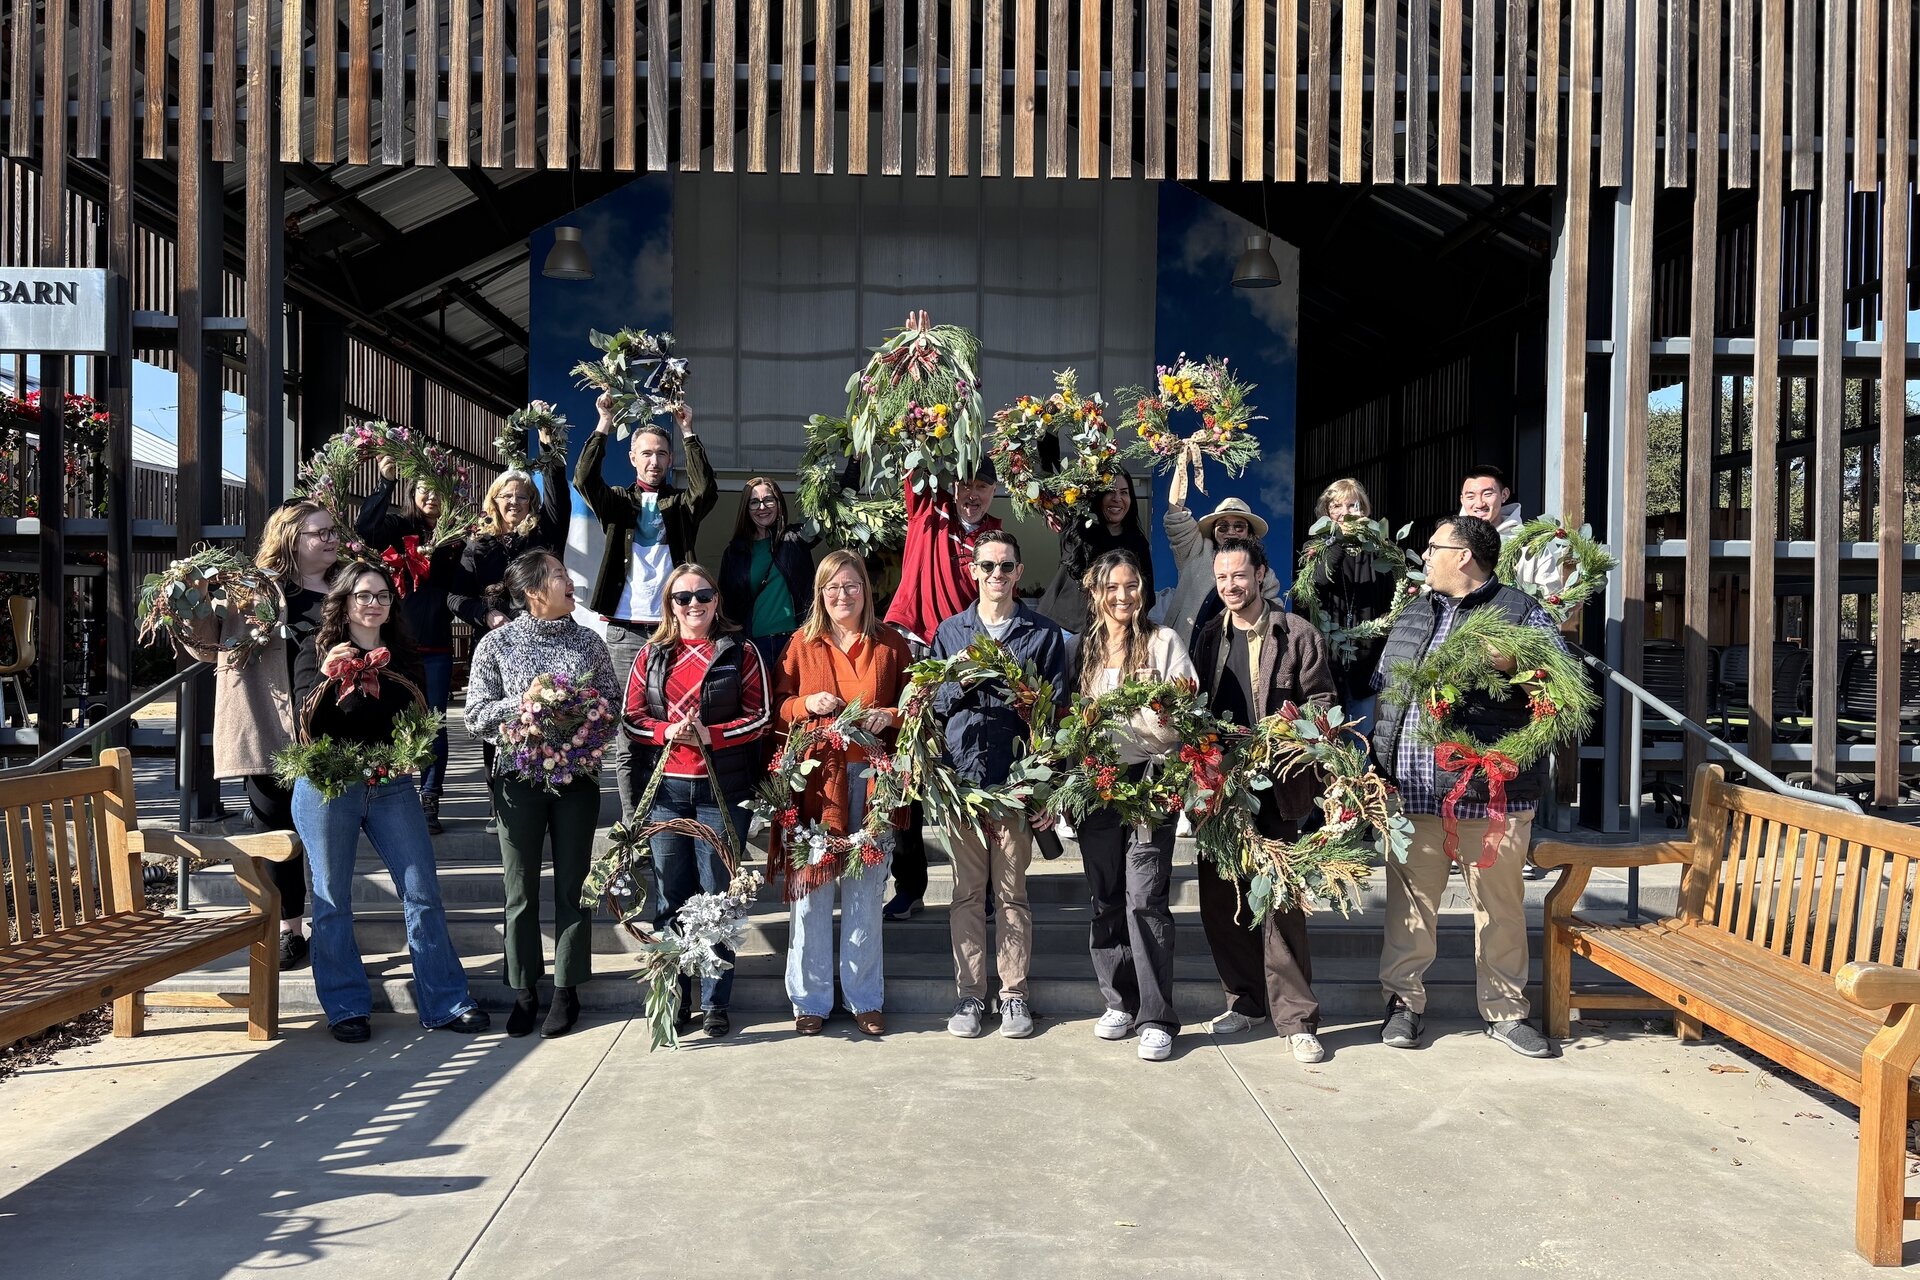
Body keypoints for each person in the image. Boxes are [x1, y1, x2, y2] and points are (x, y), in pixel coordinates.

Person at [1370, 515, 1564, 1060]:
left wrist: (1518, 661)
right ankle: (1403, 1004)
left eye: (1433, 547)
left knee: (1499, 908)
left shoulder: (1521, 614)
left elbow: (1562, 690)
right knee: (1408, 908)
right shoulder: (1413, 612)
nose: (1424, 556)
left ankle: (1505, 1012)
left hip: (1489, 799)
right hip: (1412, 794)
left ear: (1464, 556)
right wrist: (1380, 765)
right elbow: (1387, 692)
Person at [289, 562, 488, 1044]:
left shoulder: (401, 653)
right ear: (343, 601)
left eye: (382, 594)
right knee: (332, 898)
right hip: (328, 783)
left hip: (390, 784)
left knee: (422, 889)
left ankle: (445, 1000)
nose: (373, 602)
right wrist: (327, 676)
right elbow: (305, 722)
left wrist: (410, 757)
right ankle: (344, 1006)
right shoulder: (313, 651)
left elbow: (421, 716)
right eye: (363, 594)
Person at [1189, 538, 1338, 1063]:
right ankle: (1246, 1000)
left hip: (1277, 786)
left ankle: (1297, 1018)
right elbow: (1195, 707)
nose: (1231, 586)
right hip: (1219, 791)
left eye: (1239, 576)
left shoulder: (1295, 633)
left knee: (1279, 903)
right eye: (1222, 577)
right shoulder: (1208, 637)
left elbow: (1323, 704)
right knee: (1220, 902)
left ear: (1261, 575)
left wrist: (1287, 730)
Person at [464, 550, 618, 1040]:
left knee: (574, 886)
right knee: (520, 890)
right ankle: (524, 988)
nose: (570, 581)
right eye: (558, 575)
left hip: (577, 782)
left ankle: (567, 989)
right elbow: (475, 715)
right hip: (516, 782)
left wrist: (583, 715)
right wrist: (526, 701)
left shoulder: (589, 642)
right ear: (533, 591)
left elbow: (612, 705)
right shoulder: (497, 645)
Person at [930, 530, 1070, 1040]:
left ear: (1018, 572)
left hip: (1016, 788)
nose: (996, 575)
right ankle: (969, 996)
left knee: (1012, 896)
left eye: (1006, 567)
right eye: (987, 566)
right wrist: (959, 682)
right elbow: (933, 706)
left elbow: (1056, 719)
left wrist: (1047, 790)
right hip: (963, 786)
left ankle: (1013, 996)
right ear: (972, 570)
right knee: (967, 895)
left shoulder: (1042, 635)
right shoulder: (950, 633)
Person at [623, 562, 770, 1040]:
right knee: (670, 897)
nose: (693, 605)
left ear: (716, 600)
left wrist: (712, 734)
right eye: (682, 598)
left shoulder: (740, 652)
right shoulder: (651, 654)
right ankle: (674, 996)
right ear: (669, 604)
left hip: (720, 792)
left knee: (717, 900)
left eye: (702, 595)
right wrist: (668, 731)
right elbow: (631, 719)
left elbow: (759, 716)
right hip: (666, 792)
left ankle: (714, 1002)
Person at [775, 551, 914, 1037]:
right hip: (817, 788)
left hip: (874, 787)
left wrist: (890, 717)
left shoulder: (891, 644)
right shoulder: (802, 644)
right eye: (832, 587)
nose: (842, 595)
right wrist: (805, 703)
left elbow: (912, 707)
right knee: (811, 893)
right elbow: (778, 706)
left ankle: (863, 997)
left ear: (866, 591)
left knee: (865, 893)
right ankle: (809, 999)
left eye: (851, 585)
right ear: (819, 593)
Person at [1073, 549, 1198, 1063]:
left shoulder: (1164, 642)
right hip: (1098, 784)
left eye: (1131, 586)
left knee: (1145, 897)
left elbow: (1186, 709)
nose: (1122, 597)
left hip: (1149, 781)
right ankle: (1118, 1000)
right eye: (1112, 587)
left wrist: (1146, 721)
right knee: (1106, 896)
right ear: (1095, 593)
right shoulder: (1083, 650)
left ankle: (1157, 1016)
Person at [575, 395, 716, 821]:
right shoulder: (618, 502)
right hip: (624, 629)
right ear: (632, 458)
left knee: (674, 723)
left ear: (670, 458)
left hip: (672, 631)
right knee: (628, 732)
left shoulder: (680, 505)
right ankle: (635, 822)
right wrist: (602, 423)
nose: (654, 461)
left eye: (661, 453)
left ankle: (671, 816)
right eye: (646, 454)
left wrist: (688, 430)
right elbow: (584, 478)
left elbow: (705, 489)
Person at [880, 440, 1002, 923]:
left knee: (966, 765)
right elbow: (915, 455)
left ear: (993, 492)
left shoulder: (994, 542)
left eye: (983, 486)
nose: (972, 494)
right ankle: (909, 885)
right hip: (910, 643)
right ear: (951, 485)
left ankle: (980, 886)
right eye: (966, 484)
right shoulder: (928, 508)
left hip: (960, 655)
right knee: (905, 768)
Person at [213, 500, 336, 971]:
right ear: (291, 540)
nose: (330, 540)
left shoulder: (346, 587)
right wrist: (187, 598)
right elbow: (206, 638)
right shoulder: (255, 591)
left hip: (330, 730)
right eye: (319, 534)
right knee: (276, 834)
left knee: (327, 836)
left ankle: (331, 926)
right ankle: (289, 931)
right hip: (270, 728)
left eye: (330, 532)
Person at [456, 439, 573, 830]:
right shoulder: (476, 544)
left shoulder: (543, 537)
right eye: (508, 495)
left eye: (523, 496)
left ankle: (552, 795)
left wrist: (550, 453)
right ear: (495, 499)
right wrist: (485, 614)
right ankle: (500, 801)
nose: (515, 502)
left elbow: (560, 503)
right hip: (496, 642)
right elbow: (455, 596)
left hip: (547, 641)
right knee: (499, 721)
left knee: (550, 716)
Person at [357, 456, 462, 833]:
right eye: (423, 489)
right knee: (389, 719)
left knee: (434, 724)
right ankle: (384, 796)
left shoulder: (455, 536)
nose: (430, 496)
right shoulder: (399, 527)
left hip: (435, 645)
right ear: (413, 494)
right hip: (396, 643)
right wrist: (384, 482)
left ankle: (430, 797)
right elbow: (364, 528)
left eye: (437, 489)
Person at [1307, 478, 1397, 734]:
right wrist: (1337, 542)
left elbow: (1391, 602)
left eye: (1351, 505)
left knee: (1363, 738)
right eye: (1336, 506)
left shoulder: (1380, 552)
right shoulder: (1314, 549)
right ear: (1326, 512)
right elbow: (1319, 581)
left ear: (1364, 511)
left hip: (1366, 664)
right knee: (1326, 741)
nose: (1344, 512)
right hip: (1327, 664)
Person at [1034, 468, 1154, 637]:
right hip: (1060, 628)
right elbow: (1047, 475)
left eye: (1124, 492)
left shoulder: (1137, 543)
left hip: (1108, 634)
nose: (1117, 499)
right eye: (1110, 491)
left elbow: (1146, 594)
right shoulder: (1077, 529)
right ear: (1098, 496)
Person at [718, 475, 817, 675]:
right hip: (755, 646)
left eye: (768, 500)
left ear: (779, 503)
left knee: (793, 704)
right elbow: (725, 607)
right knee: (759, 705)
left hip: (796, 641)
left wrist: (855, 460)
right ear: (746, 509)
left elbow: (832, 508)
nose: (762, 507)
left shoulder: (796, 539)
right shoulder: (735, 553)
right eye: (754, 502)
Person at [1164, 495, 1284, 644]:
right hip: (1186, 651)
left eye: (1239, 526)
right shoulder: (1195, 552)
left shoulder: (1264, 574)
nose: (1231, 532)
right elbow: (1176, 515)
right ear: (1214, 531)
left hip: (1232, 656)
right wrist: (1180, 471)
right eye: (1223, 527)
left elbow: (1273, 616)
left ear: (1250, 532)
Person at [1458, 464, 1560, 592]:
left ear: (1504, 495)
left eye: (1487, 494)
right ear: (1462, 499)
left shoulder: (1530, 545)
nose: (1479, 503)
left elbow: (1550, 596)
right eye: (1470, 496)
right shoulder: (1448, 540)